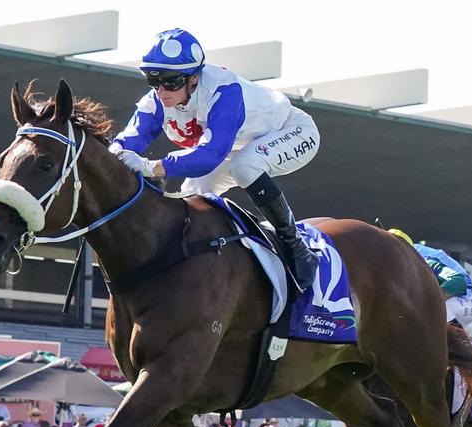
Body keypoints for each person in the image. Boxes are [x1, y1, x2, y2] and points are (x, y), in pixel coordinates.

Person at [110, 28, 321, 291]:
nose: (162, 91)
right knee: (190, 196)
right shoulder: (155, 102)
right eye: (154, 80)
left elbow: (211, 154)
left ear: (194, 78)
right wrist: (115, 153)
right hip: (235, 146)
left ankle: (296, 247)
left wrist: (153, 167)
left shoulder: (224, 90)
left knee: (245, 166)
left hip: (291, 131)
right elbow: (127, 140)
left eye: (171, 81)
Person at [388, 229, 472, 326]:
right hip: (458, 294)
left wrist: (429, 300)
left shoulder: (426, 261)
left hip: (471, 298)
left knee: (433, 311)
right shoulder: (409, 256)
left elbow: (458, 282)